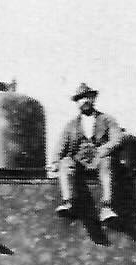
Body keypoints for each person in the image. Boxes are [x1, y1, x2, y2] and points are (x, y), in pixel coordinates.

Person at [51, 84, 127, 223]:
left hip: (100, 161)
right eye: (80, 98)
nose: (84, 100)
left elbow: (117, 139)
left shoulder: (107, 120)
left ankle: (106, 207)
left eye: (87, 97)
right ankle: (68, 202)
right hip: (79, 164)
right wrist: (55, 161)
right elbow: (60, 145)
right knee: (65, 163)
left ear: (93, 99)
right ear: (77, 102)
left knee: (107, 162)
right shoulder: (71, 126)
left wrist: (104, 150)